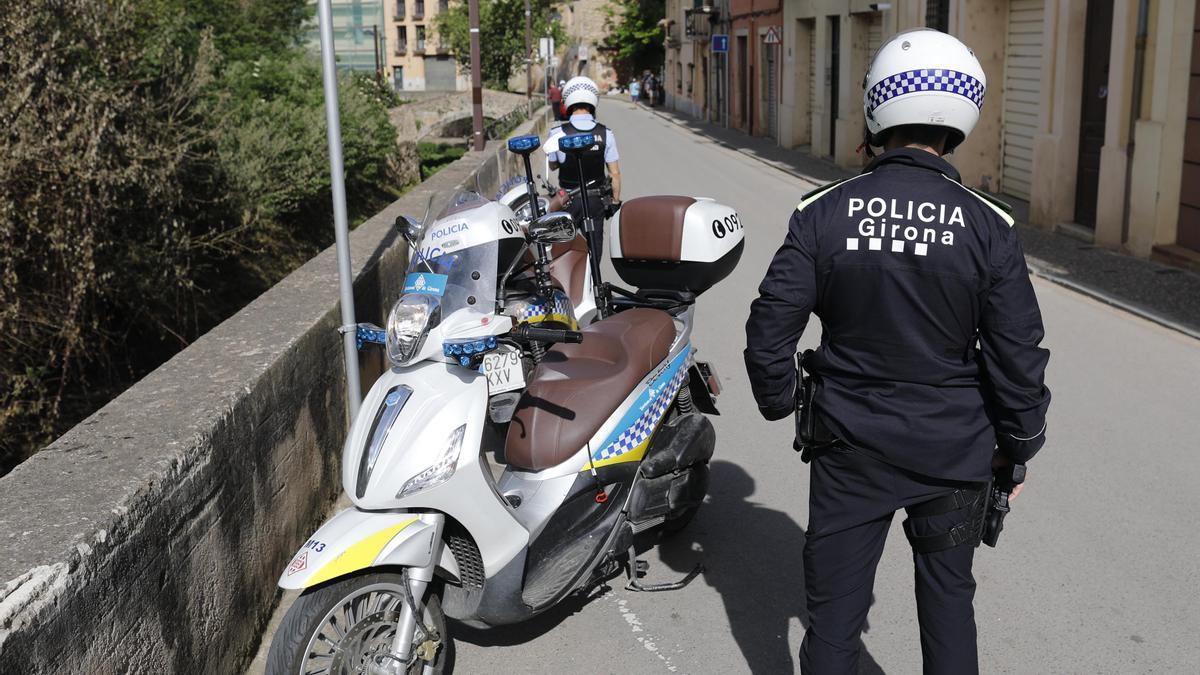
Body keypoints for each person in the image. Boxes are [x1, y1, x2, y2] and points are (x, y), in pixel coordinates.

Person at [744, 29, 1050, 675]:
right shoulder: (987, 223)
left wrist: (780, 402)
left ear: (877, 106)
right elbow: (1016, 351)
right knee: (948, 600)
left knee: (834, 616)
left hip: (848, 446)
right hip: (955, 448)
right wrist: (1018, 446)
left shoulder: (825, 211)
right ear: (963, 114)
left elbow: (772, 322)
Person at [543, 76, 621, 258]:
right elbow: (615, 173)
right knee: (594, 254)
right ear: (593, 101)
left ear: (568, 101)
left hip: (566, 201)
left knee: (563, 255)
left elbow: (553, 166)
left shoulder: (557, 133)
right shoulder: (605, 134)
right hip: (595, 201)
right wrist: (615, 202)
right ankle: (594, 284)